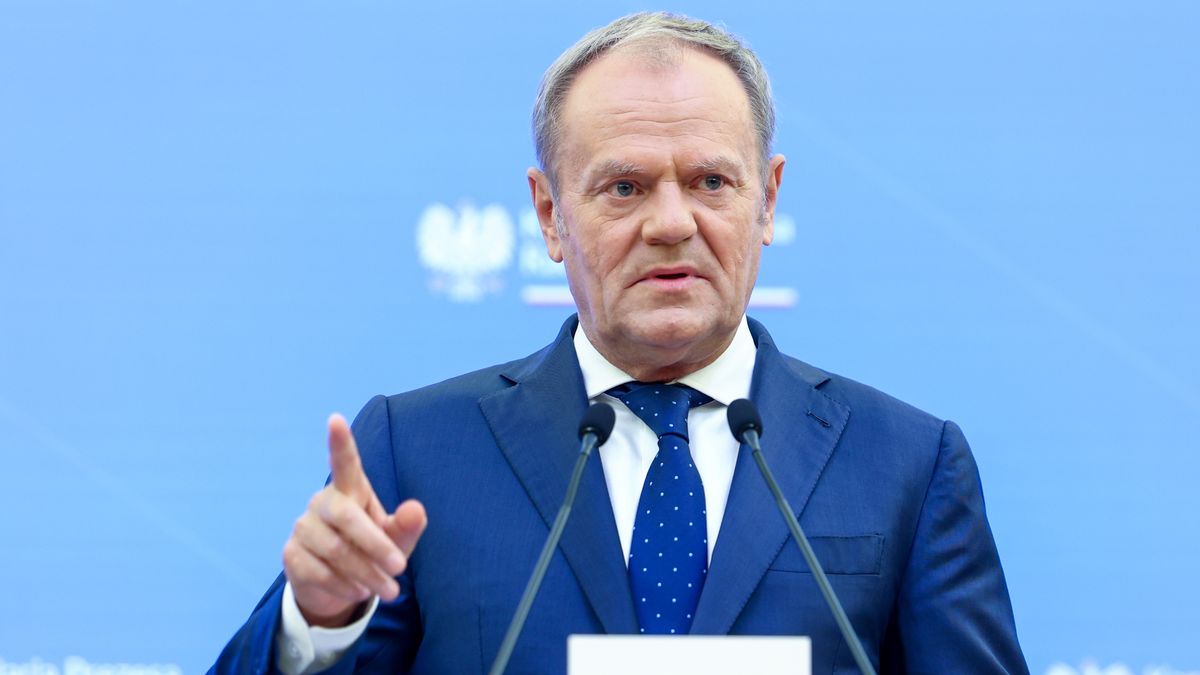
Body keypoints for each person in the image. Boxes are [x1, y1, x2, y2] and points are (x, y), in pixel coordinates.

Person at [213, 12, 1027, 674]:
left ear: (768, 199)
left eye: (711, 181)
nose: (672, 224)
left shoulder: (907, 465)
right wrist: (316, 620)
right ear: (548, 214)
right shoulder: (416, 451)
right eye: (624, 186)